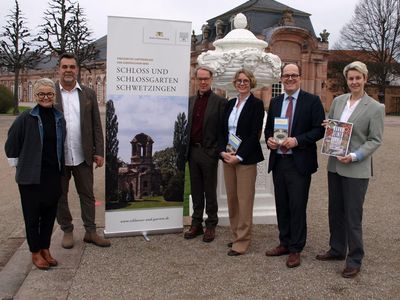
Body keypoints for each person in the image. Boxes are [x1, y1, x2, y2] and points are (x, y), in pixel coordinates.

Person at [316, 61, 384, 278]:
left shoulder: (375, 107)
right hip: (335, 165)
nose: (354, 82)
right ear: (347, 80)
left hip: (356, 168)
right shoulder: (338, 100)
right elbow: (336, 126)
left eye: (358, 78)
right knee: (335, 211)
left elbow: (375, 139)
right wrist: (329, 126)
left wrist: (355, 155)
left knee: (353, 215)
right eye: (351, 78)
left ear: (365, 79)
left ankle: (355, 258)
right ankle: (337, 249)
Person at [264, 63, 325, 267]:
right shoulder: (275, 102)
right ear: (281, 78)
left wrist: (297, 140)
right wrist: (271, 140)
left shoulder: (312, 101)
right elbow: (268, 130)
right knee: (282, 204)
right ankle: (284, 242)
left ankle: (296, 248)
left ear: (300, 77)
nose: (290, 79)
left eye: (293, 75)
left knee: (297, 206)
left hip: (299, 162)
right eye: (286, 75)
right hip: (279, 161)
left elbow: (319, 130)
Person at [5, 78, 66, 270]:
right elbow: (11, 144)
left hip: (52, 174)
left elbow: (61, 145)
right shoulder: (25, 118)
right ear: (36, 96)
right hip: (31, 177)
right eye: (41, 94)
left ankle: (46, 248)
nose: (46, 97)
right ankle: (35, 251)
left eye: (49, 94)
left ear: (54, 96)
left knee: (49, 215)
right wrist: (22, 167)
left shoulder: (58, 117)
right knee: (32, 217)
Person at [55, 52, 110, 248]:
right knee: (59, 195)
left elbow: (96, 124)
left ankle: (90, 231)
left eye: (72, 67)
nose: (68, 70)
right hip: (58, 157)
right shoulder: (51, 93)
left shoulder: (88, 93)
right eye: (65, 67)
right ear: (59, 69)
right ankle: (67, 230)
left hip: (83, 154)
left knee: (87, 194)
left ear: (76, 69)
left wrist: (100, 151)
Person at [218, 68, 264, 256]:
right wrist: (223, 152)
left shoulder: (256, 104)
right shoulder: (230, 104)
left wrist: (239, 156)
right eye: (239, 80)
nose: (242, 83)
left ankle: (243, 241)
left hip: (245, 159)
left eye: (245, 80)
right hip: (228, 156)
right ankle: (236, 234)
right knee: (232, 199)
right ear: (235, 83)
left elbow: (255, 134)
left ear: (251, 82)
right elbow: (222, 130)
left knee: (244, 200)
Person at [184, 66, 227, 242]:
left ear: (211, 80)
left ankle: (211, 224)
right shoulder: (190, 101)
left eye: (206, 79)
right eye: (200, 79)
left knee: (210, 190)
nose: (203, 82)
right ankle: (196, 223)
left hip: (209, 151)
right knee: (196, 189)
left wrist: (216, 150)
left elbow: (223, 130)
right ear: (196, 80)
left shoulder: (220, 102)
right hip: (192, 151)